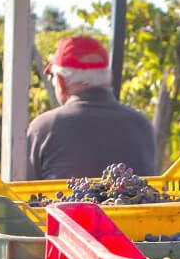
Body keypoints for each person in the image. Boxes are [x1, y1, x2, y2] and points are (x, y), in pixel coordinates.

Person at [26, 35, 158, 180]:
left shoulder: (44, 128)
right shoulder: (141, 124)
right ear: (108, 79)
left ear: (61, 82)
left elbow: (25, 195)